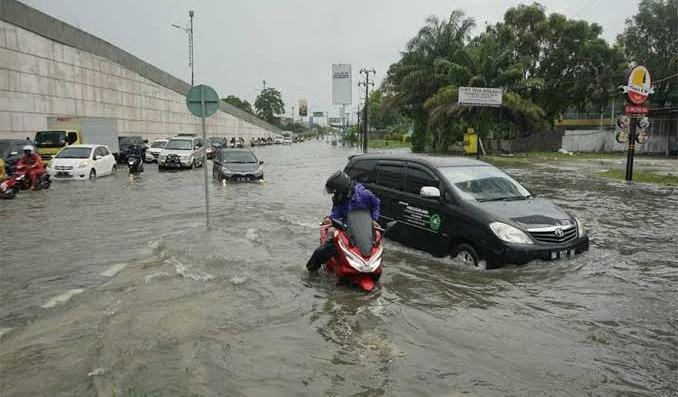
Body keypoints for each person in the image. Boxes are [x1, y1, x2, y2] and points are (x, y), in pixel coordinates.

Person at [306, 170, 381, 271]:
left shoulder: (364, 194)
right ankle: (310, 270)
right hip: (345, 228)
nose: (333, 193)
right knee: (321, 252)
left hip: (365, 229)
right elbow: (336, 213)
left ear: (341, 188)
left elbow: (376, 203)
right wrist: (330, 219)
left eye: (334, 191)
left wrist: (374, 219)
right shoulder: (340, 198)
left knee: (377, 247)